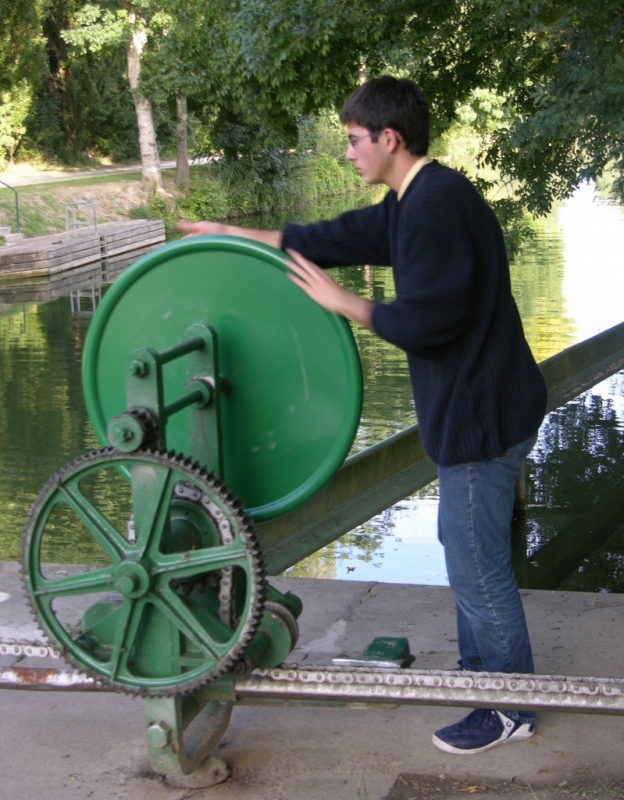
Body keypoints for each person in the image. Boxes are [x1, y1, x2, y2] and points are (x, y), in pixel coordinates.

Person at [179, 76, 548, 755]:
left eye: (353, 140)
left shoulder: (435, 205)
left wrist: (345, 304)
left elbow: (432, 320)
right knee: (466, 550)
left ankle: (509, 706)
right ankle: (486, 678)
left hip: (482, 415)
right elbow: (335, 236)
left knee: (476, 562)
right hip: (483, 405)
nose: (347, 152)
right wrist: (237, 235)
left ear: (390, 139)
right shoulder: (415, 198)